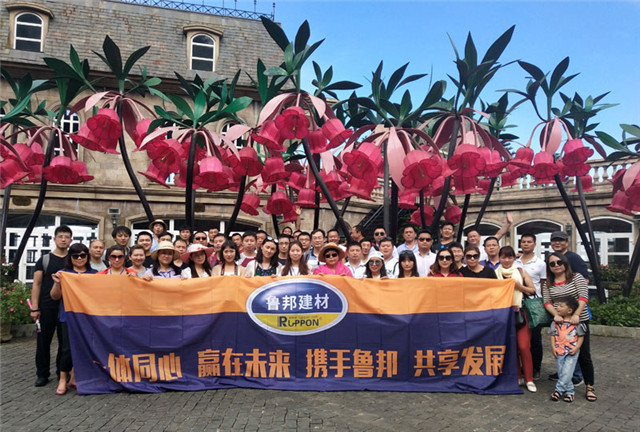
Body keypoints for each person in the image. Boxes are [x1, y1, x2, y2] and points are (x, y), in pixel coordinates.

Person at [543, 252, 596, 402]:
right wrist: (556, 315)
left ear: (565, 263)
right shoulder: (548, 283)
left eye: (559, 262)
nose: (556, 265)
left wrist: (576, 314)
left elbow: (583, 296)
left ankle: (589, 387)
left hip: (579, 321)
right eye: (552, 264)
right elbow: (547, 301)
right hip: (560, 324)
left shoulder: (576, 277)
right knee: (561, 355)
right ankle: (566, 388)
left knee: (584, 354)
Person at [49, 243, 96, 395]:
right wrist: (57, 284)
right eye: (75, 256)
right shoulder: (63, 274)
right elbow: (55, 296)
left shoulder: (94, 274)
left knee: (83, 346)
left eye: (83, 255)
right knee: (67, 348)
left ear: (87, 256)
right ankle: (63, 378)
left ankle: (75, 377)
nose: (79, 258)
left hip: (88, 317)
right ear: (70, 257)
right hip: (68, 315)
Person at [30, 225, 72, 387]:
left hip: (66, 307)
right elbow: (36, 284)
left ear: (71, 240)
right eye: (60, 236)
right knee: (43, 342)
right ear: (54, 239)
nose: (63, 239)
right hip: (46, 307)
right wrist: (35, 307)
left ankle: (62, 371)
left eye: (66, 237)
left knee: (64, 343)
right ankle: (42, 374)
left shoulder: (73, 259)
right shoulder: (44, 260)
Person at [495, 246, 537, 393]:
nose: (506, 260)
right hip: (503, 314)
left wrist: (520, 287)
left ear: (514, 258)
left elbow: (532, 290)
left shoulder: (520, 271)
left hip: (521, 312)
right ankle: (518, 376)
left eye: (510, 257)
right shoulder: (495, 273)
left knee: (524, 346)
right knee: (511, 346)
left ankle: (529, 378)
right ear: (499, 258)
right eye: (503, 257)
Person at [516, 233, 547, 379]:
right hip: (518, 303)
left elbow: (543, 285)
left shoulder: (540, 263)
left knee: (535, 338)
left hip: (534, 303)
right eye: (523, 242)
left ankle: (536, 368)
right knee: (520, 339)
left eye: (529, 242)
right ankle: (522, 367)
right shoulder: (515, 262)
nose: (526, 244)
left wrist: (544, 303)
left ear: (535, 244)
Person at [549, 296, 586, 403]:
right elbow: (552, 335)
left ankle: (558, 391)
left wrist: (577, 347)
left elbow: (581, 336)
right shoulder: (555, 322)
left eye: (561, 306)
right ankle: (570, 392)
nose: (557, 308)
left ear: (570, 310)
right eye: (557, 305)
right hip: (559, 350)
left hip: (571, 351)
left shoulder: (577, 323)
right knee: (562, 372)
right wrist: (553, 347)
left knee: (567, 371)